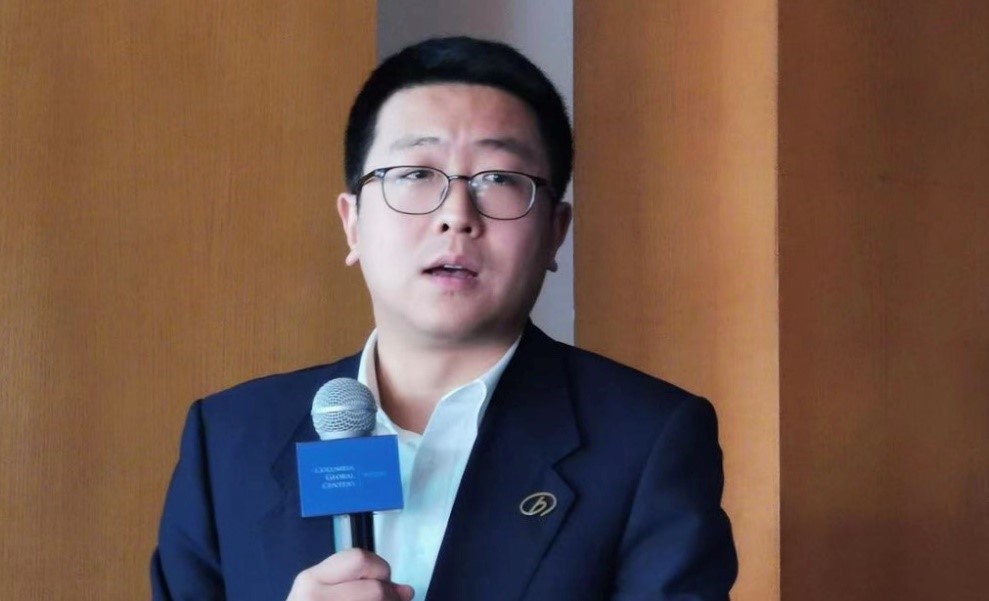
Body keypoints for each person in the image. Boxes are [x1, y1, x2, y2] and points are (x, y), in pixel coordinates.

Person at [151, 36, 737, 601]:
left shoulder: (646, 441)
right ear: (352, 223)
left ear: (555, 232)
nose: (457, 214)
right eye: (415, 174)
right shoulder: (228, 439)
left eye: (500, 179)